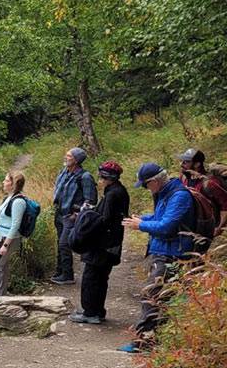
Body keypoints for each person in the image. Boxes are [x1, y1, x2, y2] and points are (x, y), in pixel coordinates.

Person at [118, 163, 194, 353]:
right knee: (160, 297)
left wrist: (141, 225)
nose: (146, 189)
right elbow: (160, 216)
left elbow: (166, 226)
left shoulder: (179, 196)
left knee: (151, 296)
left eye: (145, 185)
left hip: (171, 254)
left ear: (155, 181)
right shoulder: (167, 193)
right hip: (164, 251)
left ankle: (143, 343)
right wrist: (143, 219)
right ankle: (155, 341)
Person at [70, 161, 129, 324]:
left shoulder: (113, 194)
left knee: (91, 277)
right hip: (111, 242)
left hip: (103, 244)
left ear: (108, 178)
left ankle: (90, 312)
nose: (99, 180)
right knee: (101, 277)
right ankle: (97, 311)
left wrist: (87, 219)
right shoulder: (119, 191)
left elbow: (106, 220)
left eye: (101, 177)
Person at [50, 147, 97, 285]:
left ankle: (68, 275)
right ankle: (60, 271)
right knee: (60, 243)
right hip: (59, 213)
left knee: (65, 244)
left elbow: (91, 201)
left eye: (69, 156)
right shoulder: (63, 172)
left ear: (76, 160)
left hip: (71, 215)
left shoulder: (85, 176)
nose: (65, 157)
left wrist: (77, 215)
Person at [0, 171, 27, 297]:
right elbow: (1, 219)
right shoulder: (8, 198)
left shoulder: (18, 202)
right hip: (1, 236)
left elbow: (15, 225)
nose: (3, 182)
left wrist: (5, 245)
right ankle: (1, 297)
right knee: (2, 267)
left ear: (13, 184)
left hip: (8, 239)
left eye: (6, 180)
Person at [180, 148, 227, 234]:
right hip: (192, 226)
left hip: (209, 228)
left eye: (186, 161)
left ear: (197, 164)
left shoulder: (210, 183)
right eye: (182, 161)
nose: (182, 164)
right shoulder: (183, 178)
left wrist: (219, 227)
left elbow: (225, 206)